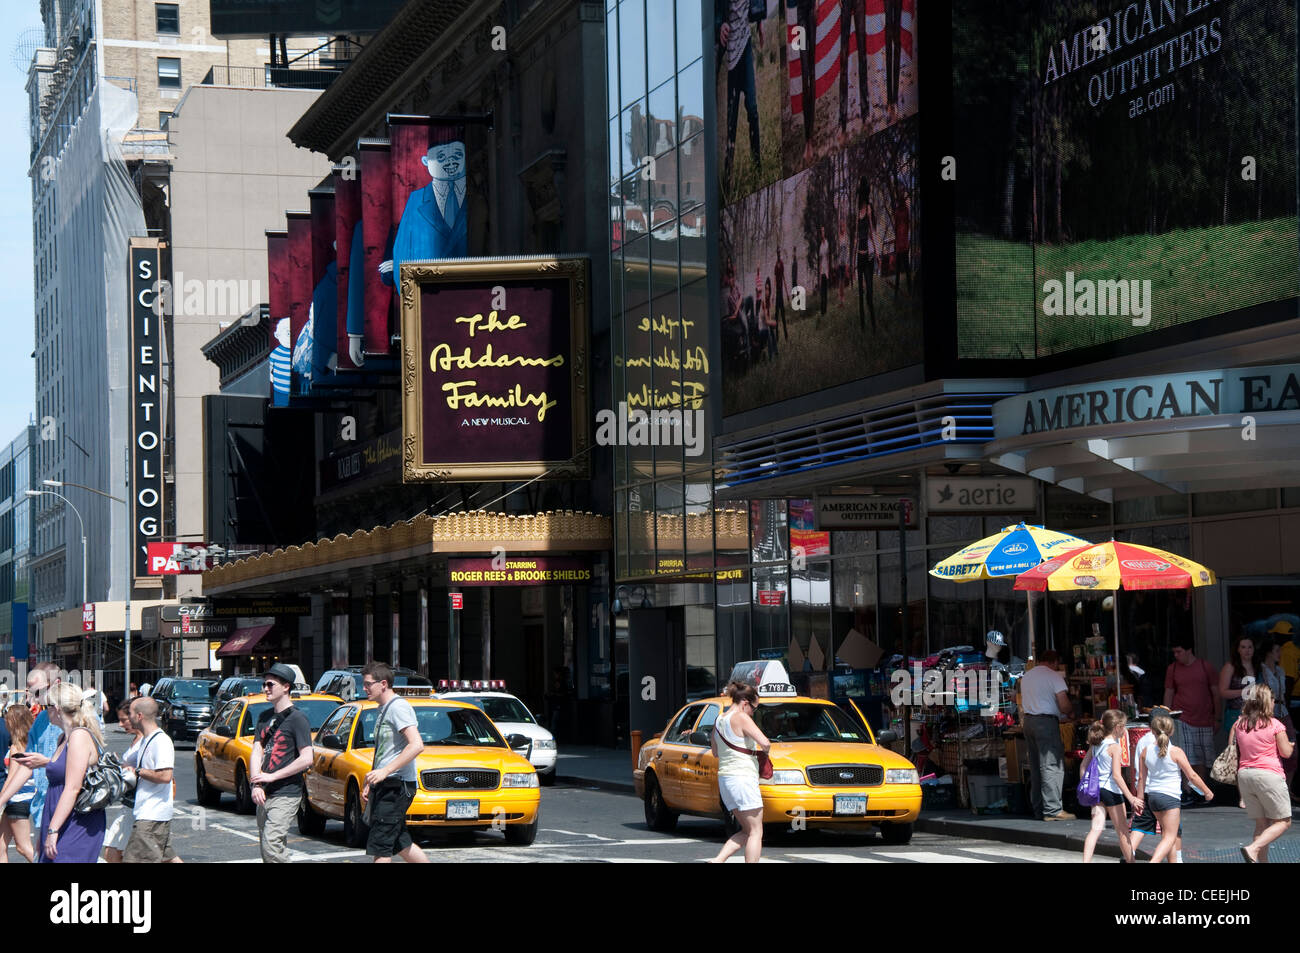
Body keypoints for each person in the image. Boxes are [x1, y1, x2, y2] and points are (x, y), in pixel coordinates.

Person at [22, 681, 107, 862]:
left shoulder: (78, 736)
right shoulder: (64, 738)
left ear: (58, 708)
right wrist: (46, 831)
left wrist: (52, 830)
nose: (44, 710)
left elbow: (72, 788)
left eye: (48, 706)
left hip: (77, 820)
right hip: (57, 816)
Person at [361, 661, 429, 864]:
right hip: (387, 784)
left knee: (381, 845)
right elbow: (385, 752)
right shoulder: (383, 708)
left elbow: (416, 745)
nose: (364, 689)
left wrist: (385, 772)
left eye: (367, 684)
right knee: (400, 842)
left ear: (383, 683)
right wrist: (372, 780)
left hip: (396, 785)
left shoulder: (398, 707)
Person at [249, 663, 314, 863]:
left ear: (286, 687)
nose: (265, 689)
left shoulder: (298, 719)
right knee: (267, 849)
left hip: (286, 792)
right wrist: (256, 783)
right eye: (264, 684)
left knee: (272, 843)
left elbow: (307, 758)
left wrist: (272, 776)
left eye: (270, 684)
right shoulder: (264, 717)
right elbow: (257, 750)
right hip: (264, 792)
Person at [1131, 712, 1213, 863]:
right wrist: (1207, 792)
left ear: (1153, 731)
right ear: (1172, 731)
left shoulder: (1145, 751)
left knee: (1167, 834)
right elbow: (1192, 776)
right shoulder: (1176, 751)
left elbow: (1142, 778)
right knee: (1170, 837)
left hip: (1153, 797)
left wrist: (1140, 799)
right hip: (1170, 798)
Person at [709, 681, 771, 863]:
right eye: (754, 708)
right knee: (756, 832)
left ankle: (717, 861)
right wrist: (762, 754)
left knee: (746, 830)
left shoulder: (719, 720)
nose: (753, 712)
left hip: (726, 780)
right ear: (745, 702)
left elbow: (715, 751)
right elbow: (765, 742)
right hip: (743, 777)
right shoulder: (742, 717)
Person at [1234, 685, 1294, 863]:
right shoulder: (1275, 724)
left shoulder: (1240, 724)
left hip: (1245, 775)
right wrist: (1289, 745)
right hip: (1268, 775)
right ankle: (1253, 848)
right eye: (1273, 700)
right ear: (1268, 702)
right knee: (1284, 821)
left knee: (1261, 825)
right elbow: (1286, 753)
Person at [122, 697, 181, 864]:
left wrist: (138, 771)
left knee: (134, 861)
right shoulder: (146, 740)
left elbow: (165, 776)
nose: (129, 717)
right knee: (168, 859)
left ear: (139, 716)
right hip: (149, 813)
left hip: (152, 815)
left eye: (131, 713)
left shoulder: (160, 741)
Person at [1019, 650, 1073, 821]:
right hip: (1045, 723)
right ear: (1054, 662)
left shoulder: (1027, 676)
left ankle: (1038, 808)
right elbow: (1064, 705)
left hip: (1028, 722)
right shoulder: (1054, 676)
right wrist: (1071, 712)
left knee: (1035, 767)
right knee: (1051, 765)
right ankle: (1053, 810)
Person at [1163, 636, 1219, 797]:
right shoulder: (1172, 669)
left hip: (1205, 718)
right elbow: (1169, 692)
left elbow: (1216, 693)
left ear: (1189, 650)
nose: (1176, 655)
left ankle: (1200, 790)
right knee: (1186, 757)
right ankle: (1187, 790)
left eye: (1179, 651)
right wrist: (1167, 716)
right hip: (1182, 719)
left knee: (1202, 758)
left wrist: (1217, 717)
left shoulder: (1205, 667)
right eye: (1174, 652)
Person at [1081, 709, 1138, 863]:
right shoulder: (1114, 747)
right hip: (1111, 792)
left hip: (1096, 791)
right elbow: (1117, 776)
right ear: (1118, 727)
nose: (1125, 729)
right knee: (1123, 832)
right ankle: (1131, 862)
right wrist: (1131, 797)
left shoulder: (1095, 745)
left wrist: (1086, 786)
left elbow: (1083, 766)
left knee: (1096, 829)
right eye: (1124, 726)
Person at [718, 0, 760, 190]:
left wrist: (760, 23)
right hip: (730, 48)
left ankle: (757, 167)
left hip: (746, 42)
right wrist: (720, 24)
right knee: (731, 118)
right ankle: (728, 177)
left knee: (752, 107)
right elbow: (715, 10)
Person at [103, 701, 139, 863]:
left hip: (137, 807)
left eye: (124, 719)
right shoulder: (137, 740)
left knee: (114, 853)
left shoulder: (147, 741)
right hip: (128, 804)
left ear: (135, 716)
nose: (120, 724)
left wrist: (127, 769)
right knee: (112, 852)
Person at [0, 706, 37, 862]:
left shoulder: (16, 747)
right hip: (26, 796)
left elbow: (12, 778)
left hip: (17, 799)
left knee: (23, 847)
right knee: (1, 845)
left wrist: (1, 798)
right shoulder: (32, 742)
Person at [1219, 634, 1258, 737]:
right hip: (1236, 714)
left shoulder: (1258, 667)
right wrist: (1244, 691)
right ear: (1238, 650)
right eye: (1243, 647)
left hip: (1255, 713)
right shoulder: (1230, 667)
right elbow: (1223, 692)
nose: (1247, 650)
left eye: (1250, 647)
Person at [855, 178, 876, 331]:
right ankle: (862, 326)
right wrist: (853, 258)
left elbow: (872, 233)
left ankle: (873, 323)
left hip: (868, 256)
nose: (862, 196)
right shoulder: (858, 213)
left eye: (863, 193)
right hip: (859, 257)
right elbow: (856, 237)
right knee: (861, 294)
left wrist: (878, 255)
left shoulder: (868, 208)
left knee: (869, 291)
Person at [773, 249, 788, 340]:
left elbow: (783, 277)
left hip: (781, 292)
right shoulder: (775, 265)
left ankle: (786, 334)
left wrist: (786, 292)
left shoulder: (781, 264)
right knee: (776, 314)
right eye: (777, 253)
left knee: (782, 313)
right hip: (777, 292)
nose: (778, 255)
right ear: (776, 254)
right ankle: (777, 335)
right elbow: (774, 279)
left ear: (780, 254)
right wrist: (773, 295)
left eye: (779, 253)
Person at [763, 276, 778, 359]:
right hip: (761, 326)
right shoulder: (763, 301)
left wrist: (772, 322)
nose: (766, 292)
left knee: (771, 329)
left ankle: (775, 352)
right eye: (765, 289)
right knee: (769, 329)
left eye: (768, 289)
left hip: (766, 323)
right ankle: (771, 356)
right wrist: (773, 323)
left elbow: (769, 317)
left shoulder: (769, 301)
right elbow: (766, 321)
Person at [817, 226, 829, 321]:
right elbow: (820, 261)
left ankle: (825, 310)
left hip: (827, 271)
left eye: (823, 232)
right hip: (822, 272)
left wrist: (828, 271)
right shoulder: (820, 246)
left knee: (826, 292)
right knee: (822, 292)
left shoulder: (827, 244)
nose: (822, 233)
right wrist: (820, 274)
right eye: (821, 232)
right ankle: (822, 312)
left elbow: (828, 258)